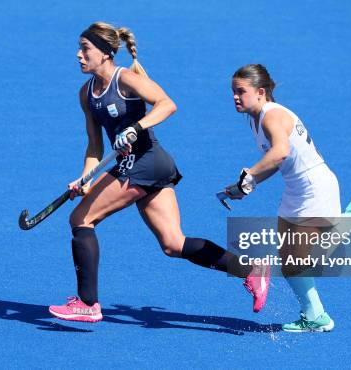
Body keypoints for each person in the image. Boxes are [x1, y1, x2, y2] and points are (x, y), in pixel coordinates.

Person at [48, 23, 270, 323]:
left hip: (146, 162)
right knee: (173, 244)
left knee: (80, 219)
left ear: (105, 53)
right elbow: (93, 146)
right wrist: (85, 178)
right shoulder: (86, 94)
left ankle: (87, 303)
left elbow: (168, 104)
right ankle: (250, 269)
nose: (78, 54)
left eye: (85, 48)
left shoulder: (125, 78)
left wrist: (136, 127)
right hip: (144, 166)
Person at [224, 64, 351, 332]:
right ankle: (316, 316)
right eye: (233, 91)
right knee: (289, 261)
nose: (235, 97)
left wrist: (249, 174)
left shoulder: (271, 116)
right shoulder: (256, 118)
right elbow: (277, 161)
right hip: (296, 189)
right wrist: (247, 186)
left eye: (241, 91)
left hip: (314, 187)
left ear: (260, 92)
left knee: (306, 258)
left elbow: (280, 152)